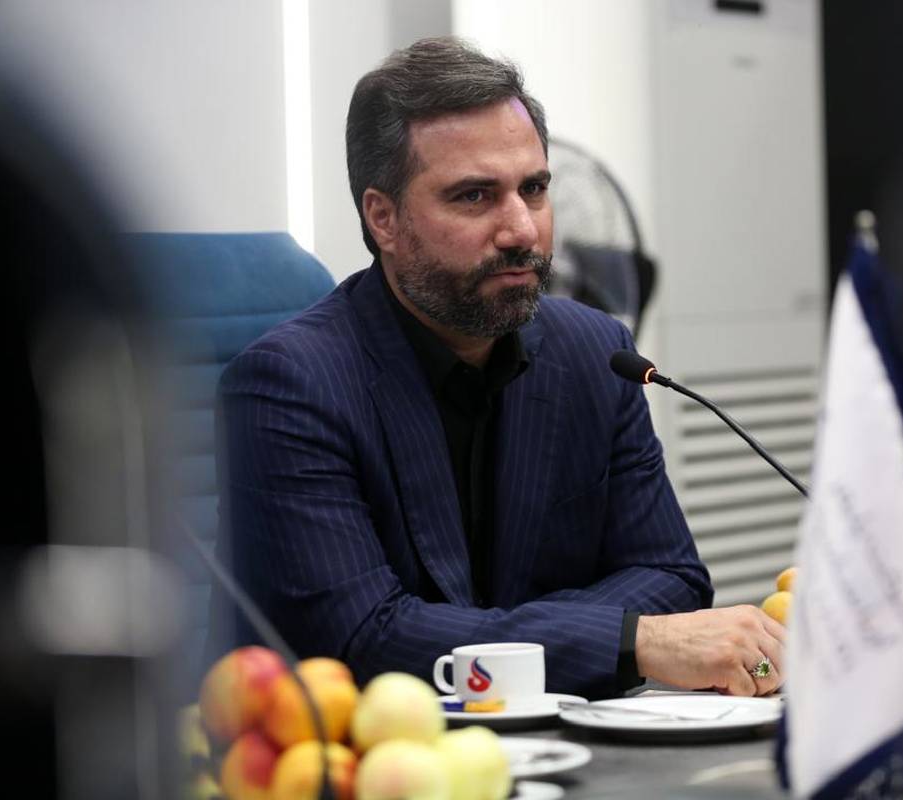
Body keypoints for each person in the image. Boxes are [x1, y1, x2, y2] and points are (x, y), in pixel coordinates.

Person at [217, 36, 786, 699]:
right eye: (474, 196)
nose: (522, 230)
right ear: (384, 218)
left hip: (567, 740)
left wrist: (489, 633)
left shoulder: (597, 354)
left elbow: (673, 578)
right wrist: (627, 638)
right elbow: (365, 639)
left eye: (534, 189)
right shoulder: (290, 385)